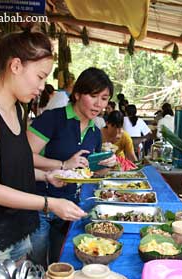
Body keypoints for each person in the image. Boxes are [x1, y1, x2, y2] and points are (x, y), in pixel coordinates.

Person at [0, 30, 86, 267]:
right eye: (40, 76)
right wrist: (49, 203)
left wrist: (47, 176)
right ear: (15, 66)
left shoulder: (18, 109)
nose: (43, 87)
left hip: (20, 230)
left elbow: (13, 169)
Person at [27, 67, 117, 266]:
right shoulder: (52, 119)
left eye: (104, 98)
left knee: (61, 264)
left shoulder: (95, 131)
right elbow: (22, 157)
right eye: (93, 96)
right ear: (77, 93)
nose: (98, 104)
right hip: (40, 205)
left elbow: (87, 172)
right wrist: (63, 164)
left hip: (70, 208)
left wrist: (106, 166)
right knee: (37, 267)